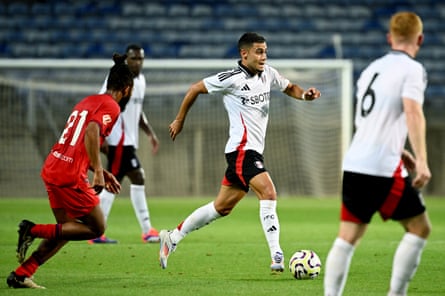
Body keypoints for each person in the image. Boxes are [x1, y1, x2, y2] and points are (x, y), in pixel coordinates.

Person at [159, 32, 321, 271]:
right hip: (242, 151)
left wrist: (305, 96)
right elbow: (194, 89)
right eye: (258, 51)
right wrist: (180, 119)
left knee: (221, 207)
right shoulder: (231, 78)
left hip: (251, 152)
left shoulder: (269, 74)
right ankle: (277, 255)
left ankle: (172, 238)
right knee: (268, 192)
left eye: (265, 51)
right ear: (244, 54)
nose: (264, 56)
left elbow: (290, 87)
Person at [323, 12, 432, 296]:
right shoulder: (412, 69)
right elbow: (412, 111)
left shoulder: (371, 69)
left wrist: (401, 149)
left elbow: (369, 122)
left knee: (347, 238)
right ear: (419, 39)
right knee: (420, 228)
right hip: (381, 168)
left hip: (355, 162)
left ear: (389, 38)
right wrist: (421, 159)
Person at [6, 54, 134, 289]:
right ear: (127, 89)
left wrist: (101, 171)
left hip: (53, 166)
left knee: (66, 231)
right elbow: (92, 131)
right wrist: (96, 171)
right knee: (97, 227)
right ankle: (31, 229)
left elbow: (79, 142)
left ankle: (22, 274)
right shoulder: (112, 107)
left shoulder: (88, 101)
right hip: (68, 175)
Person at [89, 44, 160, 244]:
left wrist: (150, 133)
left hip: (128, 141)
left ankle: (97, 230)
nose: (137, 62)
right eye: (134, 59)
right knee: (128, 179)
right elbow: (101, 104)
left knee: (128, 179)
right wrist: (101, 137)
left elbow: (138, 112)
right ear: (126, 60)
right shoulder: (117, 81)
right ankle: (143, 230)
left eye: (140, 59)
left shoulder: (142, 81)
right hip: (117, 140)